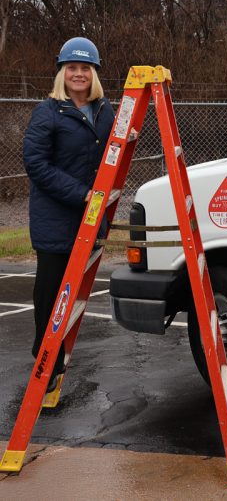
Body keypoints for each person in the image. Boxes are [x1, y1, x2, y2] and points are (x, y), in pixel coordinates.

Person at [23, 37, 115, 394]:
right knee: (51, 293)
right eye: (72, 68)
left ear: (94, 74)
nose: (79, 74)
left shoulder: (105, 111)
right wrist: (82, 195)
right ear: (62, 73)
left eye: (85, 69)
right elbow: (36, 164)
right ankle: (44, 359)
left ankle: (55, 356)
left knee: (74, 292)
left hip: (89, 219)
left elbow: (111, 149)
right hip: (56, 217)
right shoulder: (47, 112)